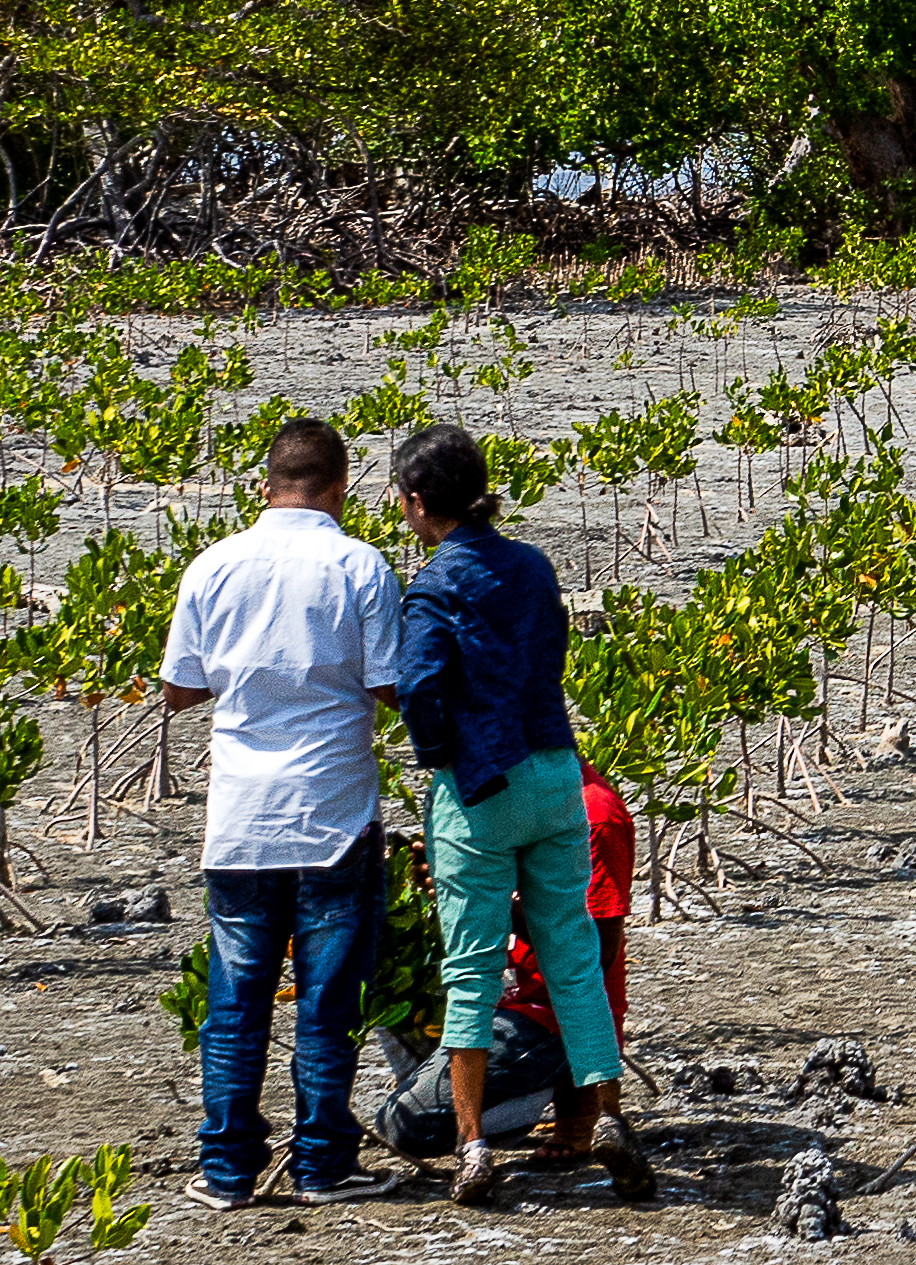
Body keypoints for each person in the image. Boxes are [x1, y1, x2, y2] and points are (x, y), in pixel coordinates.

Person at [389, 424, 652, 1209]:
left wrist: (444, 759)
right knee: (573, 956)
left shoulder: (436, 582)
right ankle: (605, 1116)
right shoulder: (534, 567)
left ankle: (472, 1149)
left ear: (415, 502)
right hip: (555, 770)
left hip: (482, 787)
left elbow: (419, 685)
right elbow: (550, 661)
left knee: (470, 968)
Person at [159, 415, 409, 1211]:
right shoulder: (359, 564)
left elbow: (177, 690)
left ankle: (228, 1174)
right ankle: (321, 1166)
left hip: (240, 819)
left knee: (233, 1006)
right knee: (328, 1006)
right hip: (334, 813)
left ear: (264, 488)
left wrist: (248, 676)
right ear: (340, 489)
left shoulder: (212, 565)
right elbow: (387, 686)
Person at [373, 759, 638, 1162]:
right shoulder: (505, 798)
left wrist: (492, 894)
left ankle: (543, 1103)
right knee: (377, 977)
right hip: (510, 1000)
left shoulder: (593, 814)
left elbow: (598, 953)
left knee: (405, 1126)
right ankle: (495, 1099)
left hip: (554, 1018)